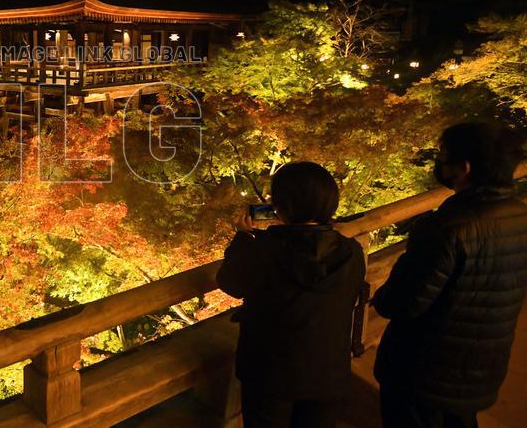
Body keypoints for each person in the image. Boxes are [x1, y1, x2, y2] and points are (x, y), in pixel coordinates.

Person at [373, 121, 527, 428]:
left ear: (464, 167)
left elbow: (401, 303)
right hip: (482, 364)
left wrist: (380, 294)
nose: (438, 162)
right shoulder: (519, 216)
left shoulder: (447, 228)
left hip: (424, 373)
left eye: (443, 156)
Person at [217, 161, 366, 428]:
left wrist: (243, 237)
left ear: (279, 206)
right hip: (328, 372)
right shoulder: (351, 252)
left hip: (270, 374)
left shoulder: (263, 251)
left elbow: (230, 283)